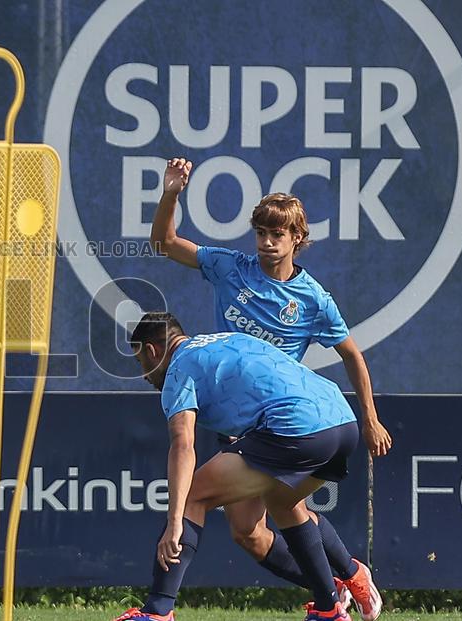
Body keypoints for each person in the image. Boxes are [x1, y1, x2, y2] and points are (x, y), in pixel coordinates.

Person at [149, 158, 386, 620]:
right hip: (239, 420)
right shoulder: (229, 268)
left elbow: (352, 356)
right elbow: (164, 243)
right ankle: (343, 581)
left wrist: (372, 417)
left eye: (276, 235)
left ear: (298, 239)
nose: (266, 243)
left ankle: (340, 586)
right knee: (249, 532)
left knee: (252, 502)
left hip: (280, 420)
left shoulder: (313, 299)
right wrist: (172, 194)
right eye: (260, 233)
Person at [118, 312, 360, 621]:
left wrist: (175, 520)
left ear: (152, 351)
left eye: (142, 363)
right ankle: (329, 609)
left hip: (297, 429)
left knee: (193, 496)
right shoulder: (225, 340)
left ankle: (158, 611)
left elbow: (182, 445)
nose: (145, 375)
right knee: (282, 504)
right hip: (342, 422)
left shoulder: (179, 369)